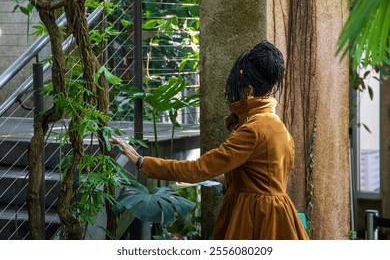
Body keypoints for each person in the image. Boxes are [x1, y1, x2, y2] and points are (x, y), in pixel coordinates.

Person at [111, 40, 309, 240]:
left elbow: (197, 169)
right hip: (275, 215)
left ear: (248, 89)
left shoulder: (254, 129)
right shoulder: (276, 126)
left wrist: (141, 161)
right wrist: (226, 178)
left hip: (256, 219)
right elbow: (261, 176)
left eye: (238, 86)